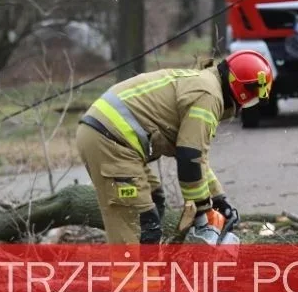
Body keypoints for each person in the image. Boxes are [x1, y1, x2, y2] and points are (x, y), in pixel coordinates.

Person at [75, 50, 274, 246]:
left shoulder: (206, 84)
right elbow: (189, 159)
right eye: (251, 98)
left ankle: (154, 268)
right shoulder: (209, 96)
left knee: (154, 198)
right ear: (241, 88)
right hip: (110, 142)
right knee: (140, 223)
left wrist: (218, 198)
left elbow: (196, 157)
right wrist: (203, 209)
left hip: (113, 140)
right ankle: (133, 277)